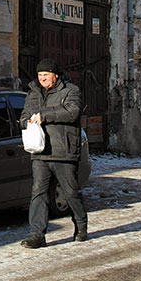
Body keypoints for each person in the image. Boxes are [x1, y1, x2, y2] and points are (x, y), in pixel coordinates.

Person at [20, 58, 88, 248]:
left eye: (46, 75)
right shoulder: (33, 93)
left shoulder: (71, 91)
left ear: (55, 75)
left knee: (70, 192)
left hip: (63, 151)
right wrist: (27, 122)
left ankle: (81, 225)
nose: (42, 79)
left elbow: (73, 112)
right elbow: (24, 115)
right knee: (38, 192)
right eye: (40, 75)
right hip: (40, 151)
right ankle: (37, 235)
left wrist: (44, 115)